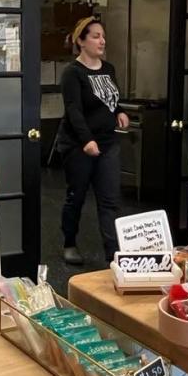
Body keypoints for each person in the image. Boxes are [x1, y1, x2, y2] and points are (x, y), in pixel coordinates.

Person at [57, 16, 129, 266]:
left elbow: (110, 99)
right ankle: (69, 243)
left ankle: (113, 252)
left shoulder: (109, 69)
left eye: (103, 36)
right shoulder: (72, 73)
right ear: (81, 41)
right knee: (76, 196)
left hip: (108, 143)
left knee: (109, 200)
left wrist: (119, 111)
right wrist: (86, 141)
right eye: (96, 36)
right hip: (79, 145)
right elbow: (73, 110)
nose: (102, 41)